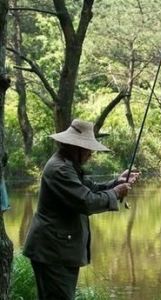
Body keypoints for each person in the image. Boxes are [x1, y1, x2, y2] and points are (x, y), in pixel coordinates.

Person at [23, 119, 140, 300]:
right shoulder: (60, 169)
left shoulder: (67, 164)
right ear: (73, 146)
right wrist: (116, 193)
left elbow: (90, 188)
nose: (91, 154)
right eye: (88, 148)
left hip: (58, 250)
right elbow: (87, 202)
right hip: (53, 252)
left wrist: (117, 182)